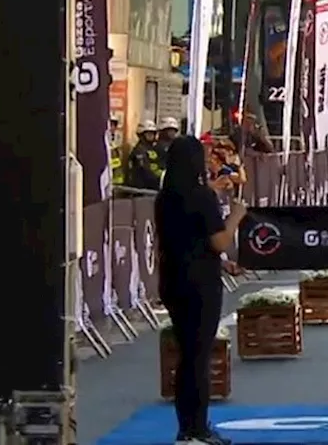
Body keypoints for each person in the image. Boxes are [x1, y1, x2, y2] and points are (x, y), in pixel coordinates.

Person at [154, 136, 247, 445]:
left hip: (173, 280)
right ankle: (198, 428)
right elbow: (217, 241)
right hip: (200, 287)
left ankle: (187, 427)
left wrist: (222, 265)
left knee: (187, 356)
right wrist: (235, 217)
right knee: (199, 357)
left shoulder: (164, 199)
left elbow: (186, 245)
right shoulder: (201, 197)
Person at [128, 120, 164, 190]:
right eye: (148, 133)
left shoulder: (153, 148)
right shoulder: (139, 150)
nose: (151, 136)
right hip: (141, 188)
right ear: (141, 134)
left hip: (151, 187)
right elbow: (144, 169)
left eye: (152, 133)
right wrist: (157, 181)